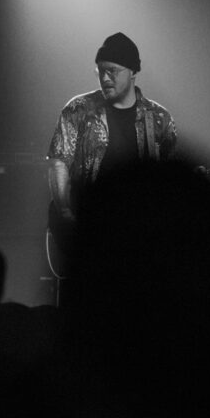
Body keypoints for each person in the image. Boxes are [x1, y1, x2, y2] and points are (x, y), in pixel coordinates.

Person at [46, 32, 178, 256]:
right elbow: (58, 163)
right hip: (88, 231)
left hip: (136, 235)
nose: (105, 78)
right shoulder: (78, 109)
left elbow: (170, 178)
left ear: (133, 71)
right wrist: (66, 213)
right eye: (101, 71)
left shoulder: (158, 118)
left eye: (113, 71)